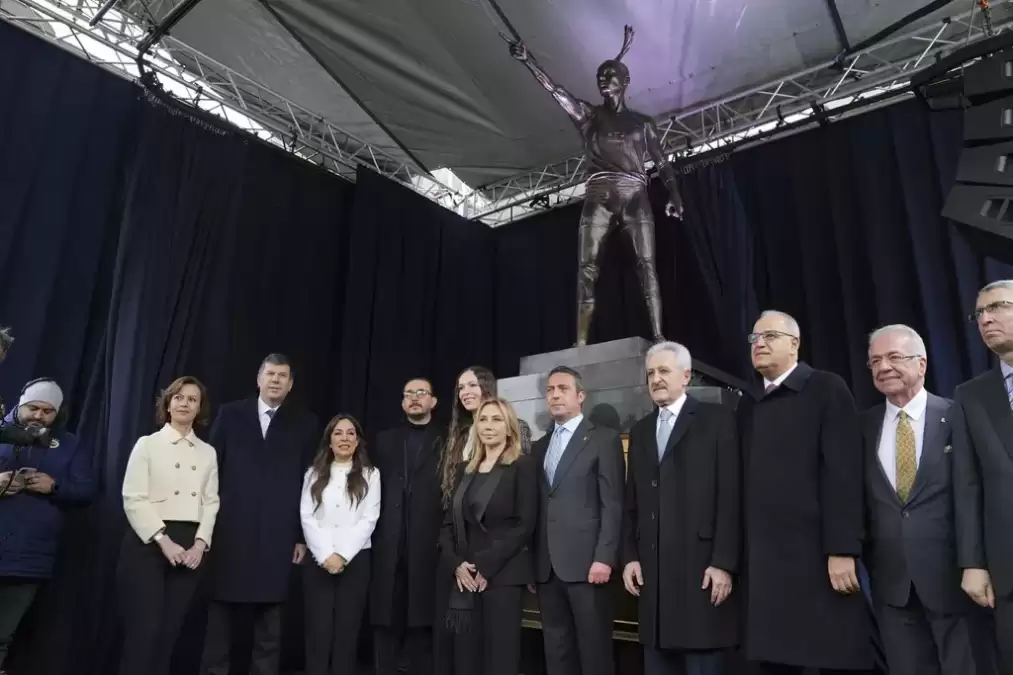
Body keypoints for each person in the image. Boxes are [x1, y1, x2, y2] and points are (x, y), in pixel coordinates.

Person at [505, 27, 683, 345]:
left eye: (610, 74)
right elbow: (556, 91)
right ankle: (581, 343)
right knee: (586, 269)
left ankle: (658, 336)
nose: (603, 79)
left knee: (646, 265)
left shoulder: (642, 123)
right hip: (599, 194)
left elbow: (662, 161)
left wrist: (675, 193)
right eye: (600, 75)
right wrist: (529, 61)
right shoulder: (589, 116)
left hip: (634, 194)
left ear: (625, 81)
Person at [738, 310, 871, 674]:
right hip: (765, 562)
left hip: (817, 557)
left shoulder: (826, 388)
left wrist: (842, 548)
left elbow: (844, 473)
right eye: (754, 338)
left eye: (770, 336)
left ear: (794, 344)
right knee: (776, 660)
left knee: (824, 655)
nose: (759, 344)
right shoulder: (748, 403)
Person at [862, 325, 976, 675]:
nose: (883, 367)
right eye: (875, 361)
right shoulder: (861, 427)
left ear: (921, 364)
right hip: (892, 586)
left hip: (956, 580)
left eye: (894, 357)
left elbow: (974, 494)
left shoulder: (957, 416)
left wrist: (976, 564)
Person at [622, 342, 739, 675]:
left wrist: (723, 563)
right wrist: (629, 556)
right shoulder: (641, 430)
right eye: (650, 373)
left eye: (664, 371)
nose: (656, 379)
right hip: (654, 585)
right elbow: (632, 502)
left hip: (700, 574)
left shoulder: (717, 420)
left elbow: (731, 496)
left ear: (686, 376)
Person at [200, 354, 318, 675]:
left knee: (271, 618)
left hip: (278, 534)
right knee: (221, 613)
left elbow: (309, 482)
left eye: (282, 376)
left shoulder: (305, 423)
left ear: (290, 384)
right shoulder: (230, 414)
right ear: (259, 379)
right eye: (270, 374)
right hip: (229, 530)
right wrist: (206, 529)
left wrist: (300, 537)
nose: (275, 380)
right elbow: (212, 472)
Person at [119, 376, 219, 675]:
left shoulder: (207, 452)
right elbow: (133, 497)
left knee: (169, 632)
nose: (184, 403)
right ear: (168, 403)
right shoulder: (148, 444)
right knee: (144, 631)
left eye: (192, 399)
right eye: (178, 397)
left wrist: (200, 545)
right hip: (149, 542)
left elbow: (211, 502)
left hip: (190, 546)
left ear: (200, 408)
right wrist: (163, 540)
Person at [533, 366, 625, 675]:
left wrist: (604, 558)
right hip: (547, 569)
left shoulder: (603, 439)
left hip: (589, 568)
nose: (555, 395)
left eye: (563, 388)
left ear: (580, 396)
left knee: (594, 653)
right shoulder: (539, 446)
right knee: (556, 653)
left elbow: (613, 503)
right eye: (550, 390)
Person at [0, 379, 94, 673]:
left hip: (27, 560)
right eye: (33, 408)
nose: (39, 415)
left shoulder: (70, 445)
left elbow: (87, 491)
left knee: (2, 636)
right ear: (20, 404)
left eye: (47, 411)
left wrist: (55, 486)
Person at [439, 398, 537, 675]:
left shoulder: (523, 466)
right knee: (466, 660)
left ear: (509, 427)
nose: (488, 426)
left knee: (499, 660)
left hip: (503, 577)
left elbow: (524, 525)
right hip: (465, 578)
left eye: (496, 419)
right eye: (483, 419)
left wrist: (484, 565)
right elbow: (447, 525)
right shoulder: (464, 469)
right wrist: (457, 565)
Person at [952, 279, 1013, 673]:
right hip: (1008, 567)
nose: (986, 319)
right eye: (979, 313)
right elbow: (967, 483)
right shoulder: (970, 395)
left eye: (998, 307)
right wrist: (973, 562)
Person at [371, 377, 444, 675]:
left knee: (422, 624)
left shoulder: (448, 439)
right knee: (385, 623)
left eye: (421, 393)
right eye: (409, 394)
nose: (415, 398)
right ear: (402, 402)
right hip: (389, 545)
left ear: (433, 401)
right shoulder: (384, 440)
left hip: (428, 545)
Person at [300, 414, 380, 675]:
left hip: (355, 562)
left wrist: (342, 555)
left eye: (350, 433)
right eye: (338, 433)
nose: (344, 438)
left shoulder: (371, 475)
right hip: (318, 561)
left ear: (357, 441)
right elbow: (307, 516)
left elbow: (369, 519)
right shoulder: (313, 474)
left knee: (347, 631)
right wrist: (325, 555)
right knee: (318, 630)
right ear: (329, 441)